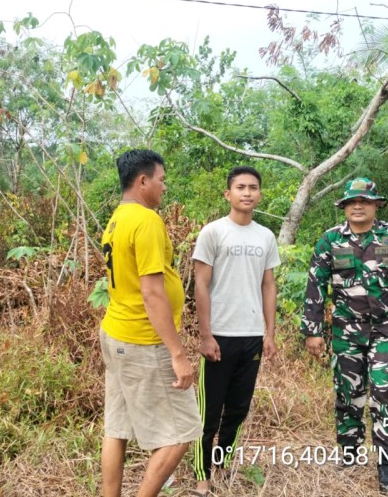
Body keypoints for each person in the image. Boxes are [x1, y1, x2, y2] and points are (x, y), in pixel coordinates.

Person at [301, 177, 388, 496]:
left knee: (384, 392)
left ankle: (387, 465)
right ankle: (350, 452)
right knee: (348, 394)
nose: (357, 206)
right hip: (345, 332)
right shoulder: (329, 240)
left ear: (375, 205)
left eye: (364, 201)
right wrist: (313, 331)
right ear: (343, 207)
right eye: (351, 202)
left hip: (386, 330)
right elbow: (315, 286)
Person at [99, 149, 202, 497]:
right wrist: (177, 352)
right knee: (183, 432)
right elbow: (152, 292)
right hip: (143, 341)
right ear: (143, 181)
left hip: (116, 333)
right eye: (161, 180)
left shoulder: (117, 218)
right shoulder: (146, 221)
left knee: (117, 428)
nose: (164, 187)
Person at [191, 166, 281, 496]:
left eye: (253, 187)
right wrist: (205, 335)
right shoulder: (213, 232)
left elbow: (268, 285)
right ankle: (202, 474)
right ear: (227, 193)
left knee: (239, 408)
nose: (247, 193)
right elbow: (201, 285)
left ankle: (222, 463)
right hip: (219, 335)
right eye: (240, 187)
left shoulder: (266, 236)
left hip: (251, 336)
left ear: (259, 194)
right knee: (208, 411)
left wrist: (269, 333)